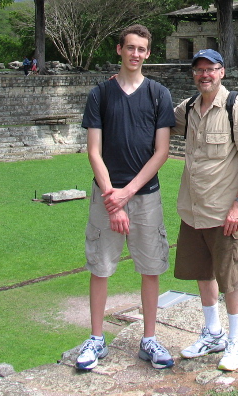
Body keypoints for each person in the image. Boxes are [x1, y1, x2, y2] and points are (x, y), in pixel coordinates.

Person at [77, 24, 176, 371]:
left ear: (148, 53)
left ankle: (148, 337)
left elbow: (161, 152)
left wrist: (127, 193)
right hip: (106, 193)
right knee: (100, 267)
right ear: (119, 49)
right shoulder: (100, 94)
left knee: (150, 268)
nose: (135, 54)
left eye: (141, 49)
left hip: (144, 194)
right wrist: (111, 196)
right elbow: (93, 151)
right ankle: (96, 337)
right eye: (130, 47)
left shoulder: (158, 94)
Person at [172, 49, 238, 371]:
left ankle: (236, 341)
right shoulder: (189, 108)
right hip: (193, 209)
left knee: (232, 279)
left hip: (225, 211)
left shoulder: (236, 107)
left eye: (211, 69)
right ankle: (213, 333)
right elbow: (155, 120)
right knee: (202, 273)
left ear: (222, 72)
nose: (205, 75)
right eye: (199, 70)